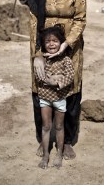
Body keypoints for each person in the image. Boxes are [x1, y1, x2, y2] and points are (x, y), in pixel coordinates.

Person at [23, 0, 86, 161]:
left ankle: (66, 141)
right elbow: (33, 25)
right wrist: (38, 55)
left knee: (69, 91)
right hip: (44, 47)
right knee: (41, 89)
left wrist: (66, 44)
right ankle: (45, 140)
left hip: (71, 48)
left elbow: (80, 19)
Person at [35, 25, 75, 169]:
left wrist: (57, 81)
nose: (51, 44)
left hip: (59, 98)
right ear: (44, 44)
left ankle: (59, 154)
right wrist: (53, 78)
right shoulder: (41, 60)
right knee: (46, 127)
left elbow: (70, 76)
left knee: (59, 126)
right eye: (48, 41)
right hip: (45, 97)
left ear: (61, 42)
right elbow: (39, 77)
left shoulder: (66, 60)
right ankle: (46, 155)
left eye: (55, 40)